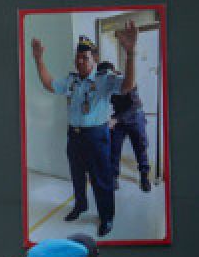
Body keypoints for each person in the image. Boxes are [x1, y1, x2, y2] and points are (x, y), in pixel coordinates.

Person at [30, 25, 139, 237]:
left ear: (94, 60)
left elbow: (127, 85)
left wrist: (131, 53)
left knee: (101, 179)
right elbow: (50, 84)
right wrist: (38, 59)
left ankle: (106, 216)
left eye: (85, 57)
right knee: (77, 175)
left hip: (96, 137)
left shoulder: (104, 80)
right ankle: (80, 205)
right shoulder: (71, 80)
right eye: (78, 57)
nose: (80, 61)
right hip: (75, 136)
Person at [99, 60, 151, 193]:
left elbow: (133, 106)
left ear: (113, 72)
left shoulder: (127, 80)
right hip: (119, 120)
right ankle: (114, 177)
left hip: (135, 117)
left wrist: (116, 119)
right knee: (114, 149)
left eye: (107, 76)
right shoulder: (105, 85)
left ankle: (144, 177)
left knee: (141, 148)